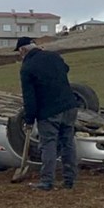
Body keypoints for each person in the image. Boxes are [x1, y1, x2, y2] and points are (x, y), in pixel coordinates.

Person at [16, 37, 78, 190]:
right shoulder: (54, 56)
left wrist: (29, 119)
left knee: (48, 144)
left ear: (23, 51)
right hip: (69, 106)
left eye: (19, 53)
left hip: (49, 112)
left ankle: (47, 181)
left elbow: (29, 98)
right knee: (68, 143)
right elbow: (66, 68)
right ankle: (69, 180)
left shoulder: (27, 68)